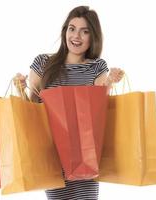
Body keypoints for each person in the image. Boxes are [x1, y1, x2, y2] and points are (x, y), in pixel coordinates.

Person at [13, 5, 124, 200]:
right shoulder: (43, 63)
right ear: (65, 31)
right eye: (72, 29)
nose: (76, 36)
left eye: (85, 31)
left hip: (86, 154)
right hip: (53, 155)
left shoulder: (97, 67)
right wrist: (20, 88)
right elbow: (31, 109)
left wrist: (110, 82)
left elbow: (99, 101)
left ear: (93, 37)